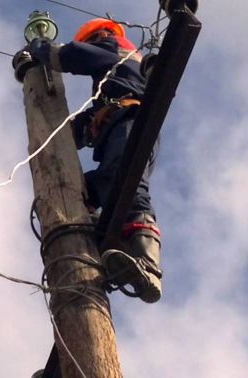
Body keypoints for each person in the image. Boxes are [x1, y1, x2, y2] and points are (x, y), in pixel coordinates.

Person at [28, 18, 162, 303]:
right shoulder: (114, 82)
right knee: (85, 189)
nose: (93, 44)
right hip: (121, 127)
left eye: (93, 40)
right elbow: (88, 124)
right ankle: (111, 248)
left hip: (129, 123)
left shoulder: (117, 52)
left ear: (102, 35)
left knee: (126, 182)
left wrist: (40, 48)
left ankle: (147, 263)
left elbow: (73, 56)